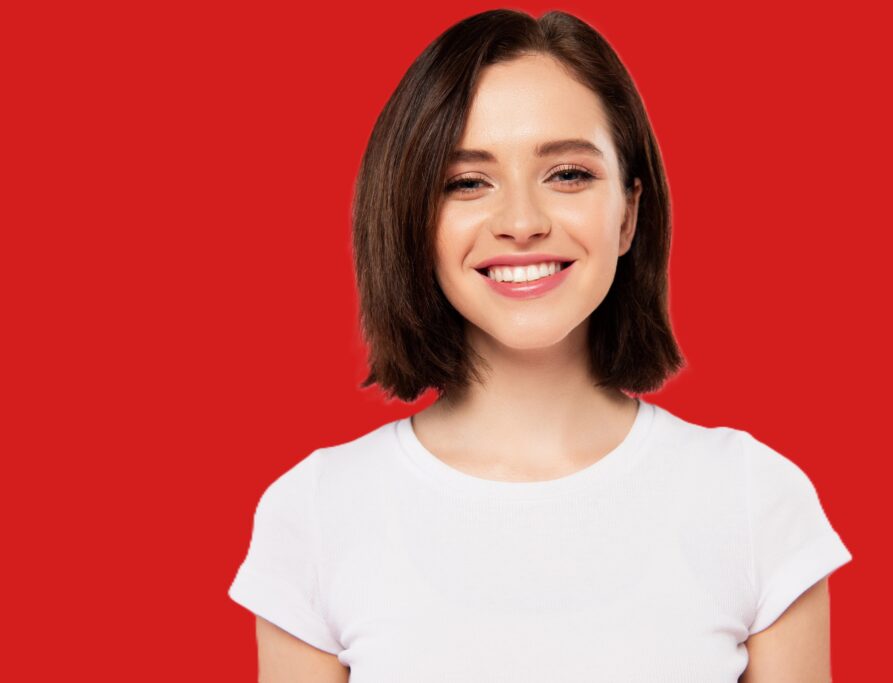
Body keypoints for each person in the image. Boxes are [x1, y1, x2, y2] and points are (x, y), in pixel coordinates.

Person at [228, 8, 853, 682]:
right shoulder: (319, 511)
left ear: (629, 213)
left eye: (569, 175)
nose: (521, 223)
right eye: (467, 182)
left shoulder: (754, 499)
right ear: (413, 218)